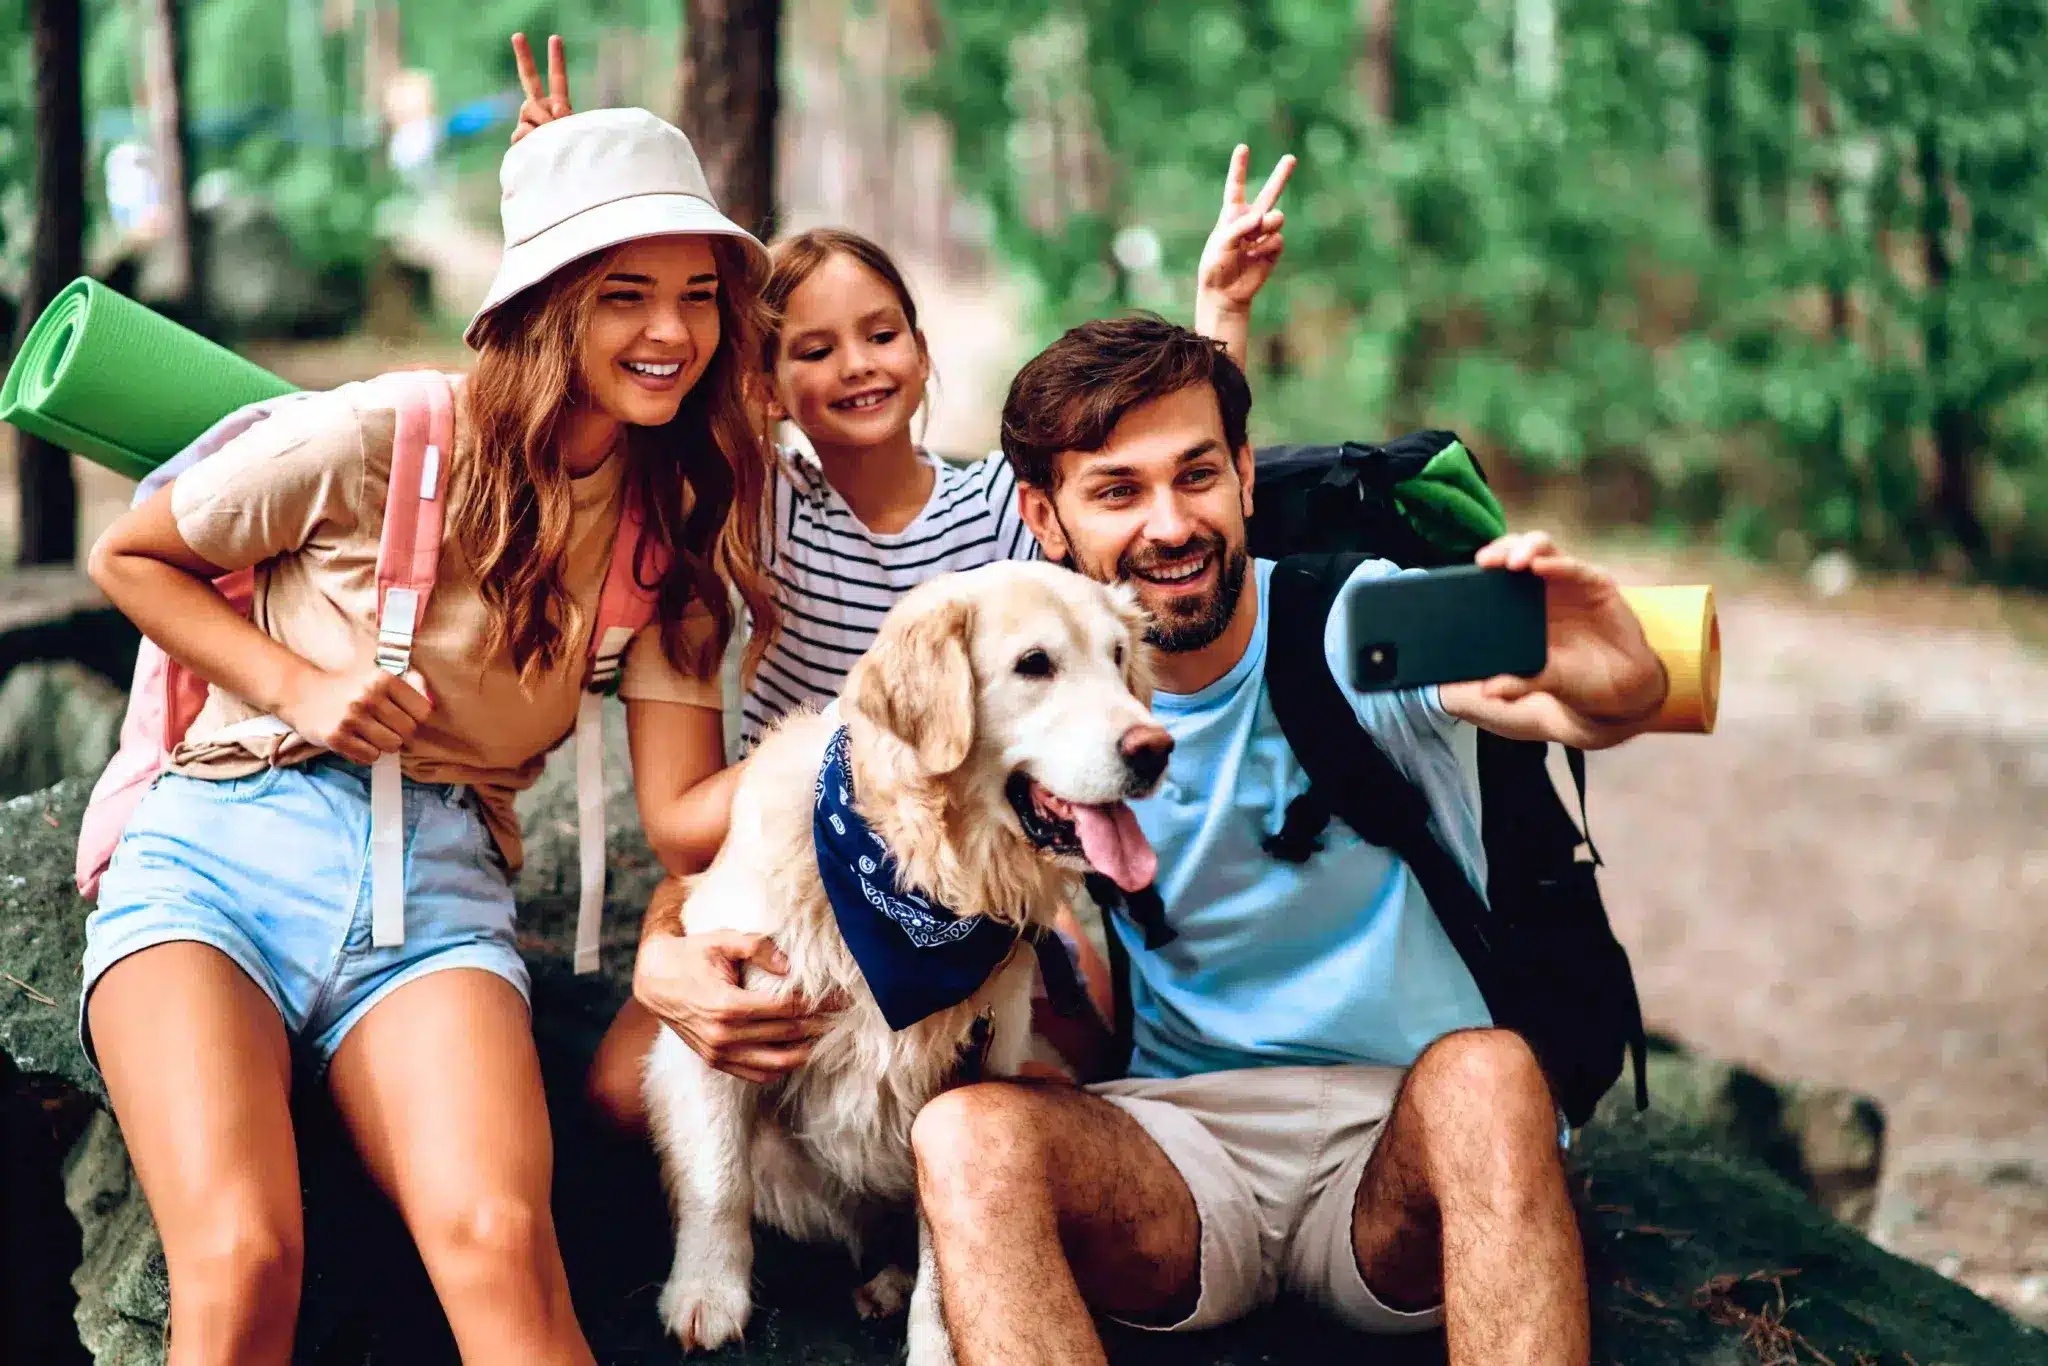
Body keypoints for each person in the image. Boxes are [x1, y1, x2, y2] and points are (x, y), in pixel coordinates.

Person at [77, 54, 774, 1366]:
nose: (672, 331)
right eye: (624, 293)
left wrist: (855, 743)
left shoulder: (667, 526)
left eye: (698, 295)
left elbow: (685, 817)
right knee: (240, 1257)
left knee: (505, 1243)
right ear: (547, 304)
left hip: (437, 890)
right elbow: (133, 553)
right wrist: (304, 685)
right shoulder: (387, 432)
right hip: (220, 848)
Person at [505, 26, 1301, 1123]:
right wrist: (575, 220)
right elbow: (644, 405)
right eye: (813, 348)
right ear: (768, 383)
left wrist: (1221, 319)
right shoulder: (758, 508)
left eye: (881, 334)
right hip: (804, 850)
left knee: (1054, 1080)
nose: (857, 364)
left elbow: (1159, 520)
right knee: (622, 1093)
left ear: (922, 354)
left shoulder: (995, 512)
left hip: (974, 851)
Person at [894, 312, 1670, 1365]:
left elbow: (1583, 700)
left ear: (1245, 476)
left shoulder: (1358, 622)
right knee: (962, 1137)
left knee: (1491, 1076)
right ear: (1045, 514)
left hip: (1402, 1148)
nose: (1169, 524)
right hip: (1180, 1154)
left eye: (1196, 475)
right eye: (1117, 490)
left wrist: (1610, 656)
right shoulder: (1023, 698)